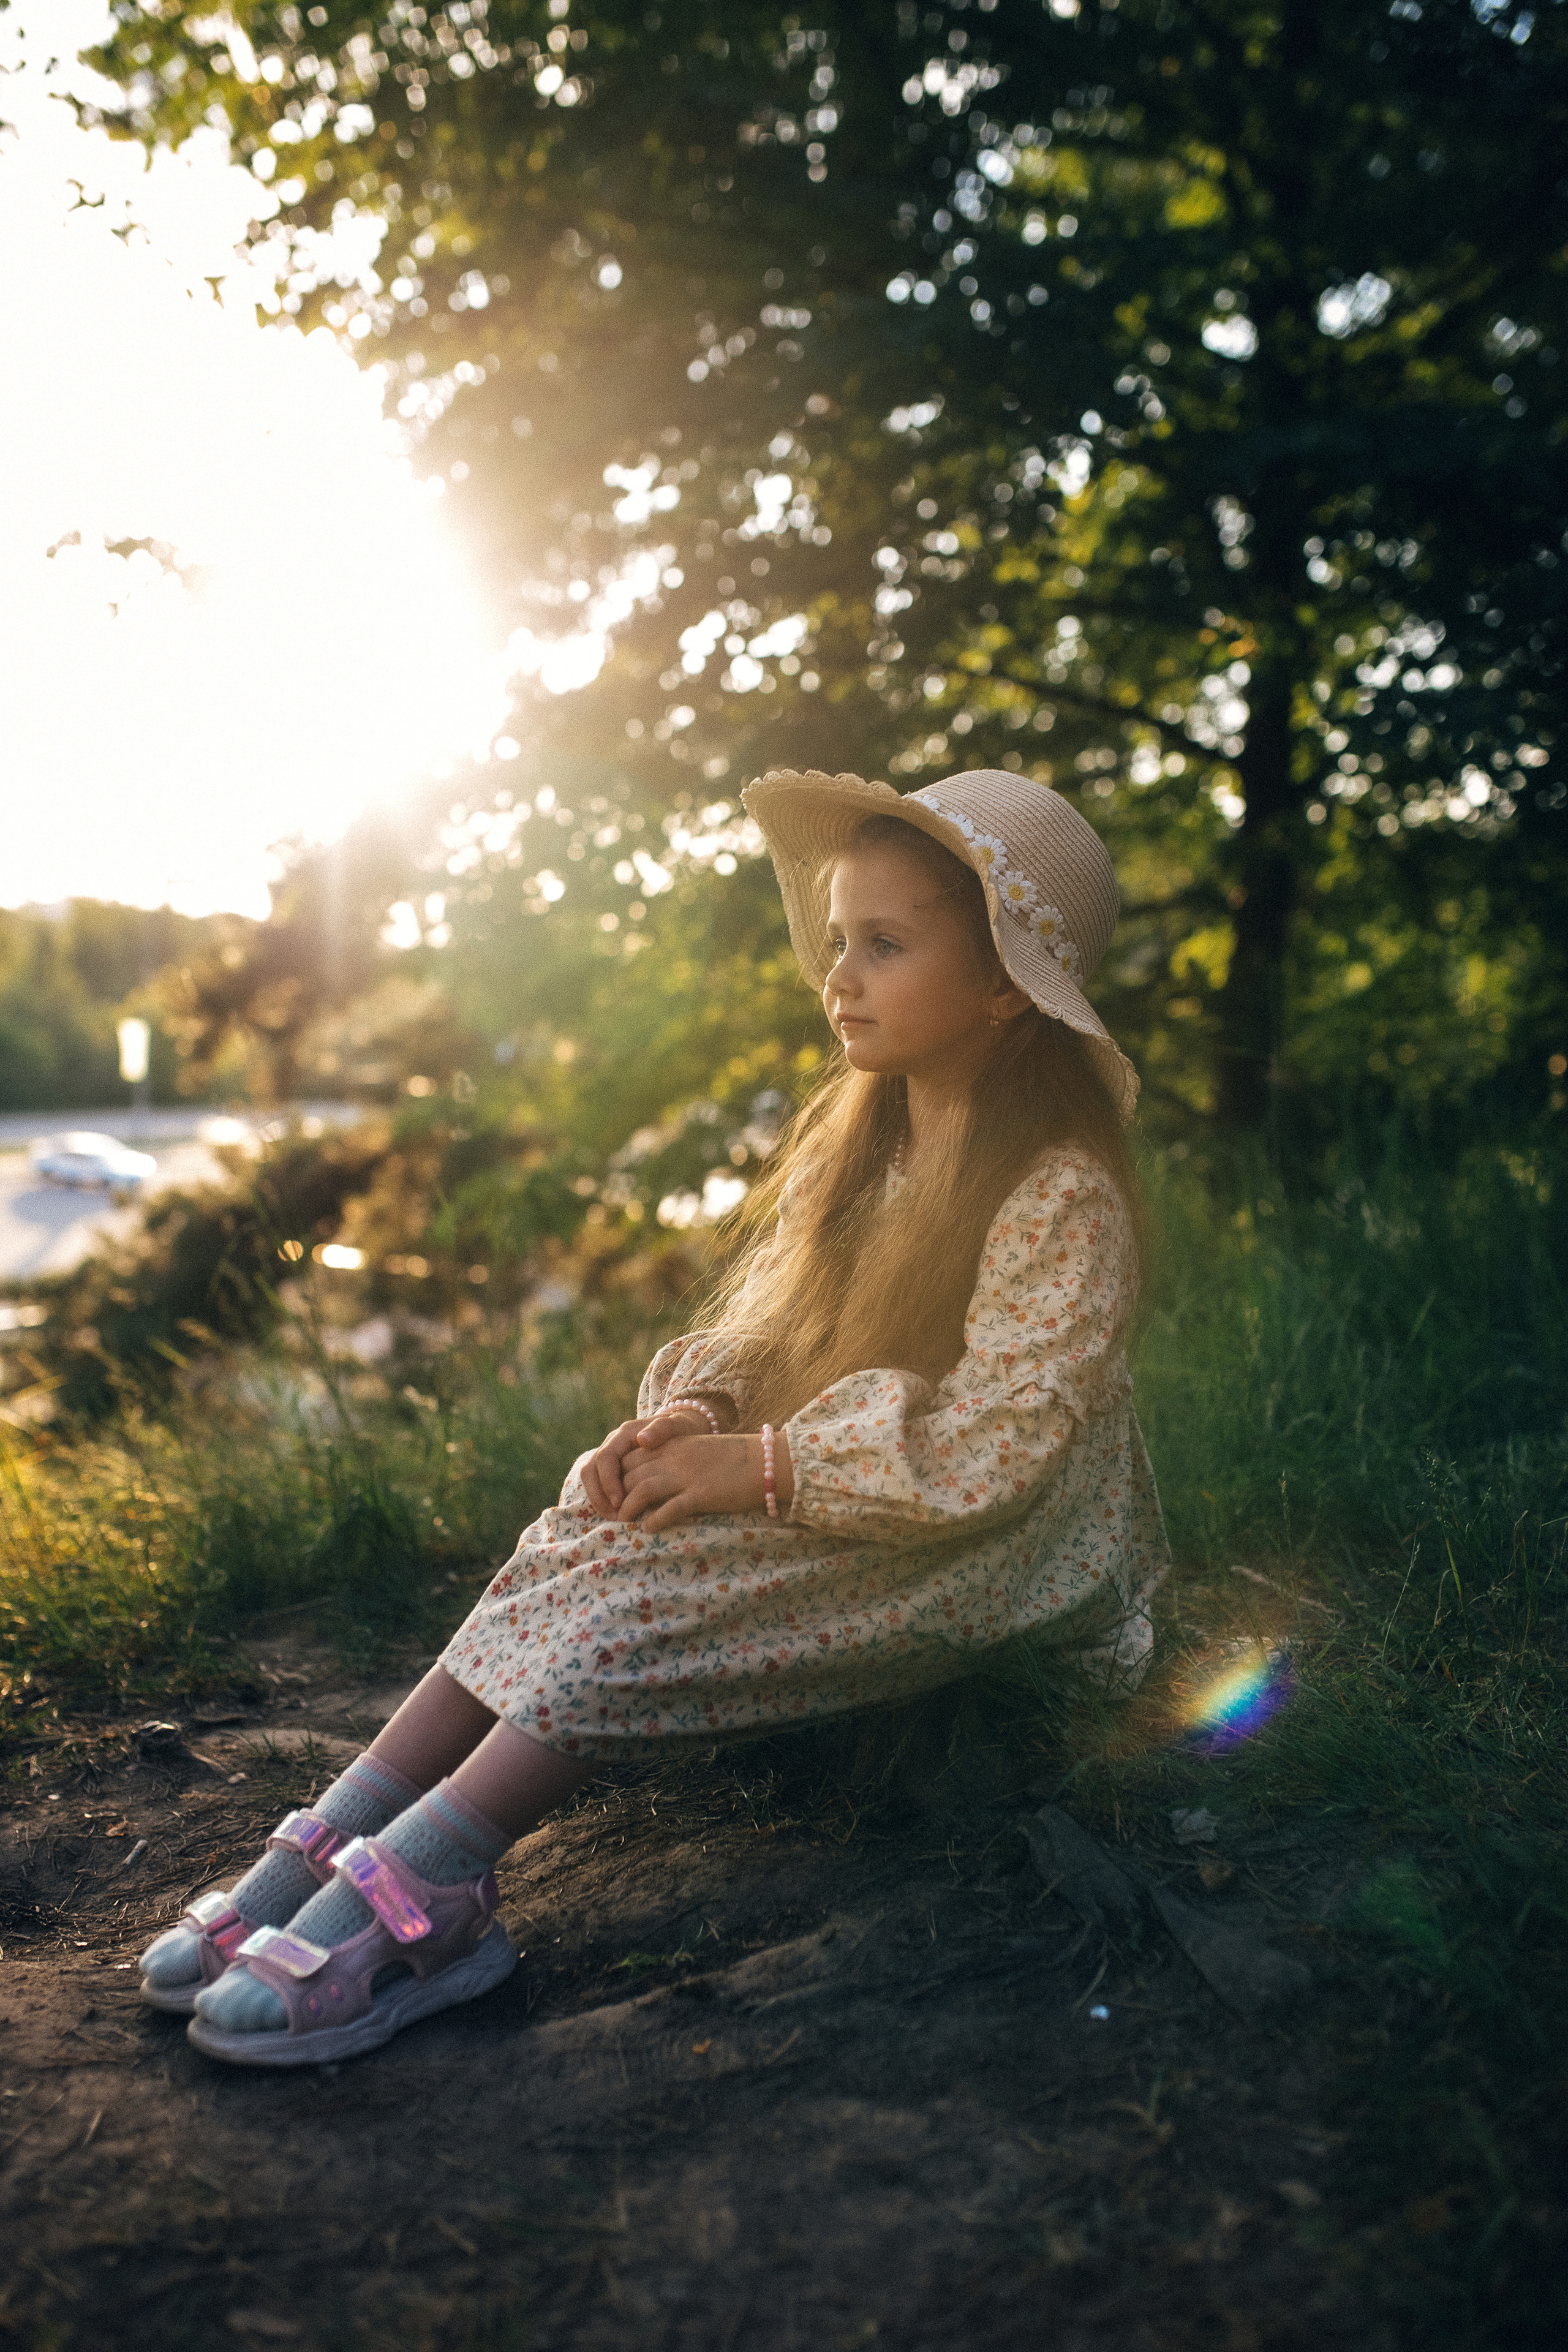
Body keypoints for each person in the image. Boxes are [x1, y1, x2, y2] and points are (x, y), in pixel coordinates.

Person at [140, 766, 1170, 2067]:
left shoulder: (1058, 1193)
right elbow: (776, 1332)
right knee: (584, 1526)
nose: (838, 976)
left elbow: (1001, 1451)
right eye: (837, 941)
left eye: (886, 946)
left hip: (1003, 1550)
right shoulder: (869, 1143)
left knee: (641, 1601)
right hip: (855, 1484)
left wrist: (765, 1464)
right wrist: (701, 1408)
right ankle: (341, 1828)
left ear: (1006, 987)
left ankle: (437, 1893)